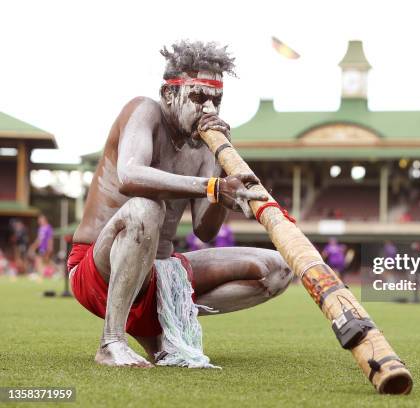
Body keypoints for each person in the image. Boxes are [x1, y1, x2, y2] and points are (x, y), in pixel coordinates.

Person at [67, 41, 292, 368]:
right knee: (147, 208)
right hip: (97, 268)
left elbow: (205, 231)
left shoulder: (202, 146)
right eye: (198, 97)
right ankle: (111, 341)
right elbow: (130, 175)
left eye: (217, 100)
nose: (209, 109)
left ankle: (165, 324)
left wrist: (219, 161)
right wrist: (211, 186)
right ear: (169, 94)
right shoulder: (145, 110)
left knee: (277, 270)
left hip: (161, 272)